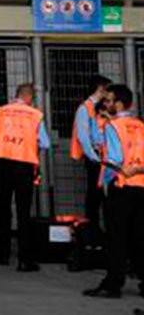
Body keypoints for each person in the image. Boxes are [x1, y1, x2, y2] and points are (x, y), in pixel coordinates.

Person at [84, 84, 144, 299]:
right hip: (141, 186)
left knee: (117, 238)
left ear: (118, 103)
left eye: (109, 100)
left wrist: (107, 182)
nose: (106, 104)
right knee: (139, 236)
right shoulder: (140, 125)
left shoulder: (113, 126)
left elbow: (114, 159)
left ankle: (113, 283)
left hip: (121, 187)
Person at [0, 83, 50, 272]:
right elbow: (44, 142)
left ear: (17, 95)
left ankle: (3, 254)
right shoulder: (35, 115)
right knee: (23, 212)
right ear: (29, 97)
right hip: (24, 166)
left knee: (4, 208)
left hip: (3, 165)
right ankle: (24, 258)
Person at [72, 75, 111, 232]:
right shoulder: (85, 108)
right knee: (95, 196)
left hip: (107, 155)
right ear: (100, 89)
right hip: (97, 156)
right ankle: (93, 232)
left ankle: (105, 231)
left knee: (106, 195)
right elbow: (83, 136)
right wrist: (94, 158)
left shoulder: (104, 107)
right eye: (107, 90)